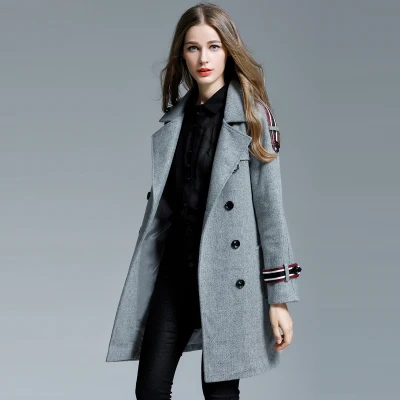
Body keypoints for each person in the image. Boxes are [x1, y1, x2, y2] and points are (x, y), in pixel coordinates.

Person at [106, 3, 302, 399]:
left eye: (213, 47)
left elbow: (271, 211)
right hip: (175, 271)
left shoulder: (253, 118)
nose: (203, 59)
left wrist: (280, 300)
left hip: (227, 274)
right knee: (150, 389)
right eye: (193, 48)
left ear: (229, 50)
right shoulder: (174, 121)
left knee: (220, 394)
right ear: (182, 54)